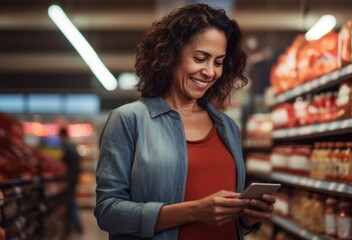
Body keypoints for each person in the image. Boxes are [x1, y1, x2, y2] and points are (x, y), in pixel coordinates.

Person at [94, 3, 276, 240]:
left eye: (218, 62)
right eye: (201, 58)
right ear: (170, 56)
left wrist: (249, 218)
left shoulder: (228, 127)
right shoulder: (129, 120)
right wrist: (194, 211)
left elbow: (228, 217)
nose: (210, 72)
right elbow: (108, 212)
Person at [59, 127, 83, 235]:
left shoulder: (68, 147)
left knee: (71, 201)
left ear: (62, 135)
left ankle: (77, 226)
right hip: (73, 178)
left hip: (70, 179)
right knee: (71, 201)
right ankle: (74, 226)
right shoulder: (72, 145)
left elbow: (65, 163)